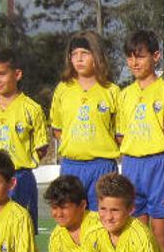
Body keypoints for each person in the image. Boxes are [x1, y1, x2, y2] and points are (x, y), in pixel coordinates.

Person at [117, 30, 164, 252]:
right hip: (132, 166)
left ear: (155, 56)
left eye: (140, 56)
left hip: (160, 164)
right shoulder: (124, 95)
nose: (134, 62)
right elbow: (121, 135)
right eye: (130, 57)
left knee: (161, 233)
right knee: (137, 233)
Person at [0, 48, 48, 230]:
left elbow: (41, 147)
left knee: (23, 231)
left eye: (1, 74)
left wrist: (21, 164)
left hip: (20, 178)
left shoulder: (32, 109)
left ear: (17, 74)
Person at [50, 30, 120, 210]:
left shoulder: (112, 91)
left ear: (97, 56)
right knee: (73, 220)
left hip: (102, 166)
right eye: (74, 54)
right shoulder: (63, 89)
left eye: (85, 53)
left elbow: (120, 132)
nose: (79, 59)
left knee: (102, 222)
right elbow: (57, 129)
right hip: (72, 166)